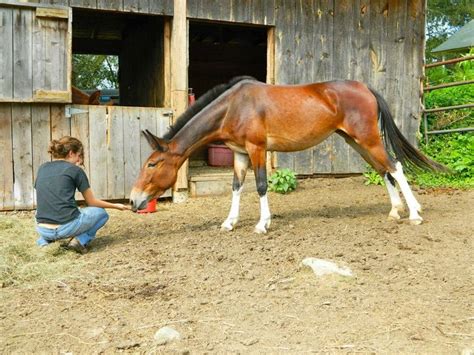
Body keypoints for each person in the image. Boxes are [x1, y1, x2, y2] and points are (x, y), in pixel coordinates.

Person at [34, 136, 129, 253]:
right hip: (66, 228)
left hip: (42, 229)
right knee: (101, 213)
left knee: (42, 212)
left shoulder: (42, 168)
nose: (79, 161)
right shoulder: (75, 170)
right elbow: (92, 202)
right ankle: (79, 241)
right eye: (79, 156)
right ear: (71, 153)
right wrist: (117, 206)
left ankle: (43, 242)